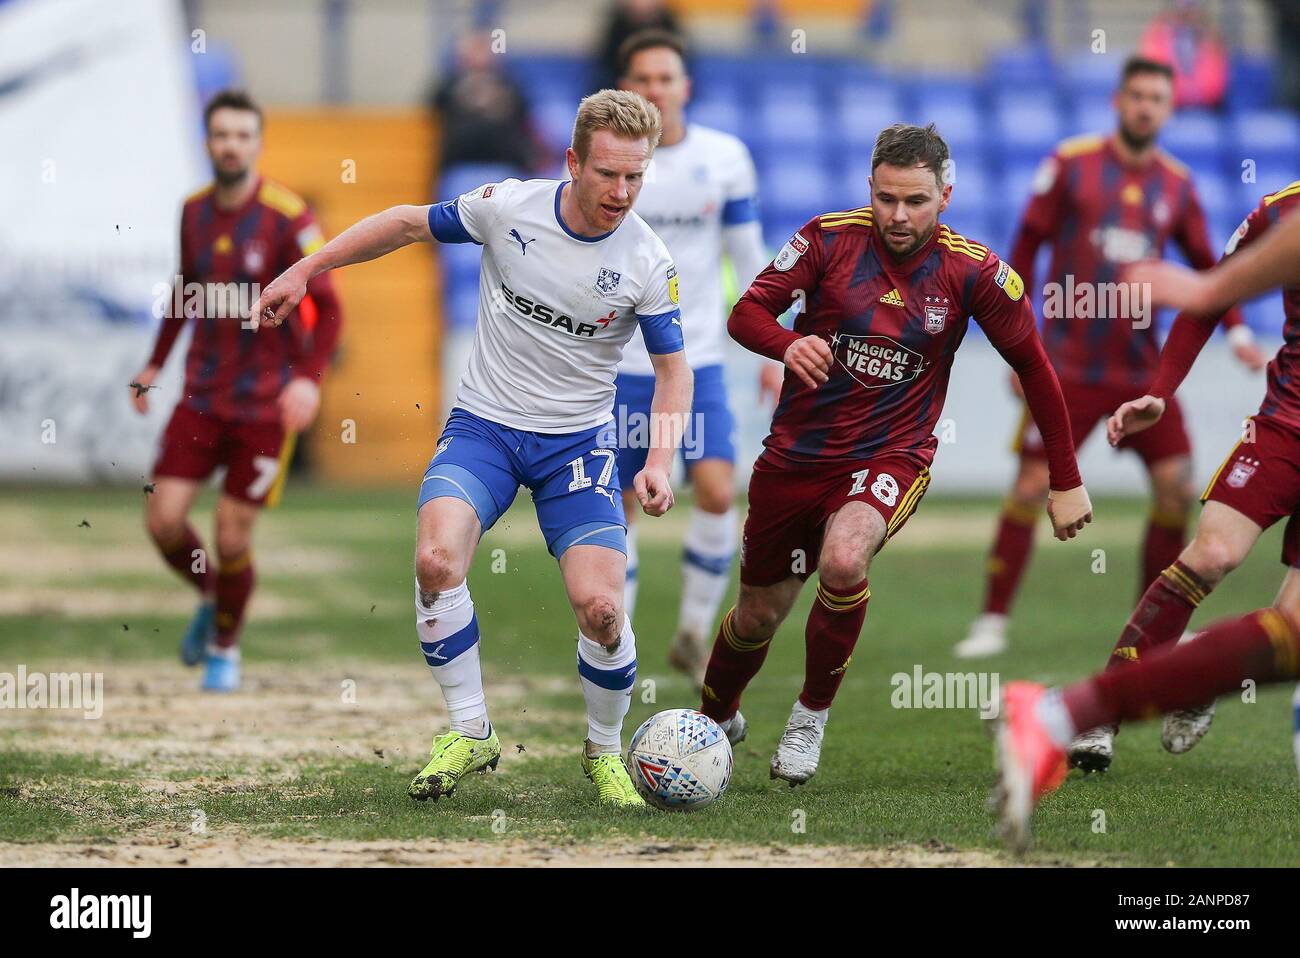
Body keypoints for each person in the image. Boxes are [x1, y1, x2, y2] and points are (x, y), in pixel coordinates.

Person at [250, 90, 693, 807]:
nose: (621, 192)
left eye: (635, 177)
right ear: (573, 161)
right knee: (435, 559)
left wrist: (659, 461)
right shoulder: (509, 207)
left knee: (603, 610)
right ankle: (470, 730)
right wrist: (306, 270)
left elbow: (675, 370)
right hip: (484, 426)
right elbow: (402, 224)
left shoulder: (647, 259)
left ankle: (605, 753)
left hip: (576, 445)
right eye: (608, 174)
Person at [698, 123, 1092, 785]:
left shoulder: (976, 272)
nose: (899, 215)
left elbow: (1036, 368)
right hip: (795, 456)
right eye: (886, 199)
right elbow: (747, 312)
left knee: (845, 560)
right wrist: (786, 345)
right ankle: (713, 719)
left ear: (946, 196)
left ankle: (809, 716)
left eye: (915, 201)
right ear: (870, 190)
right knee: (758, 614)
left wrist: (1065, 479)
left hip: (892, 453)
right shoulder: (827, 239)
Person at [992, 185, 1300, 852]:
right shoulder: (1281, 212)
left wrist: (1198, 289)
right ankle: (1091, 710)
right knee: (1214, 553)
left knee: (1292, 636)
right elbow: (1214, 295)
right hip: (1288, 427)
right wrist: (1160, 389)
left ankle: (1185, 668)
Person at [956, 56, 1264, 669]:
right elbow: (1024, 247)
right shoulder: (1071, 166)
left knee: (1177, 490)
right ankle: (992, 619)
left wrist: (1234, 334)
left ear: (1170, 108)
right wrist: (1017, 344)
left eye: (1158, 97)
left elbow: (1212, 267)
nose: (1147, 106)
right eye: (1138, 95)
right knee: (1028, 486)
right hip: (1066, 365)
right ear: (1119, 102)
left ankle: (1150, 636)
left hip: (1139, 374)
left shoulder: (1177, 186)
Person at [131, 90, 342, 692]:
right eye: (221, 135)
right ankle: (211, 597)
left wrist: (308, 380)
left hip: (264, 405)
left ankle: (226, 646)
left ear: (257, 143)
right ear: (208, 141)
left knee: (230, 533)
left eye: (242, 135)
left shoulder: (287, 216)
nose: (231, 145)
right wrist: (152, 365)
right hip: (200, 397)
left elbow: (329, 309)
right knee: (164, 521)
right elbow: (185, 291)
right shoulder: (192, 211)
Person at [613, 29, 775, 686]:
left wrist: (775, 345)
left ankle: (691, 628)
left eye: (665, 78)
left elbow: (748, 253)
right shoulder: (614, 161)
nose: (654, 88)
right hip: (619, 363)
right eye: (642, 78)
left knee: (716, 488)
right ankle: (614, 639)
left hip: (698, 357)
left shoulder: (725, 157)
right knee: (618, 502)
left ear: (686, 87)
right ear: (626, 88)